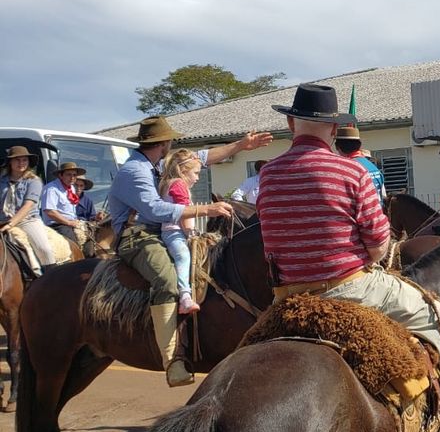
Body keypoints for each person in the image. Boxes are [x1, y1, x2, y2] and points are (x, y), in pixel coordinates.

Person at [257, 84, 440, 432]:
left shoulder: (268, 174)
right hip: (349, 287)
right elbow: (378, 246)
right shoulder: (352, 171)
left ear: (292, 123)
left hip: (287, 295)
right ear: (334, 129)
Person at [108, 115, 271, 387]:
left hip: (165, 231)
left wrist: (240, 146)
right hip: (137, 236)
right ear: (164, 142)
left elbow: (201, 158)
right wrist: (205, 209)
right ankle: (173, 359)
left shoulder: (158, 163)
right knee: (167, 281)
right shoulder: (135, 171)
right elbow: (154, 210)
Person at [159, 149, 203, 315]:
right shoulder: (178, 184)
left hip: (176, 231)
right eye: (196, 173)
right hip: (174, 232)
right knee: (183, 256)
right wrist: (191, 233)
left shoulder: (169, 183)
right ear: (184, 171)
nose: (198, 178)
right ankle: (184, 296)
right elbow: (184, 213)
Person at [0, 146, 56, 272]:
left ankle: (52, 276)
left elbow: (28, 205)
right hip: (2, 219)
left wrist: (11, 224)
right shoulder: (1, 180)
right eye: (17, 160)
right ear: (10, 162)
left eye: (24, 160)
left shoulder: (34, 181)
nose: (21, 163)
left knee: (44, 249)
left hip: (27, 220)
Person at [41, 162, 87, 247]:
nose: (72, 178)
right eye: (68, 174)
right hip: (57, 225)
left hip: (72, 223)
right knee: (74, 246)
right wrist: (68, 223)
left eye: (74, 175)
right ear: (60, 175)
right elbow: (50, 211)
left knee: (91, 240)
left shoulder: (72, 188)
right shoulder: (51, 189)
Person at [334, 127, 386, 201]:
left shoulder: (346, 170)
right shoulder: (373, 167)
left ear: (337, 147)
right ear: (359, 145)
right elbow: (383, 195)